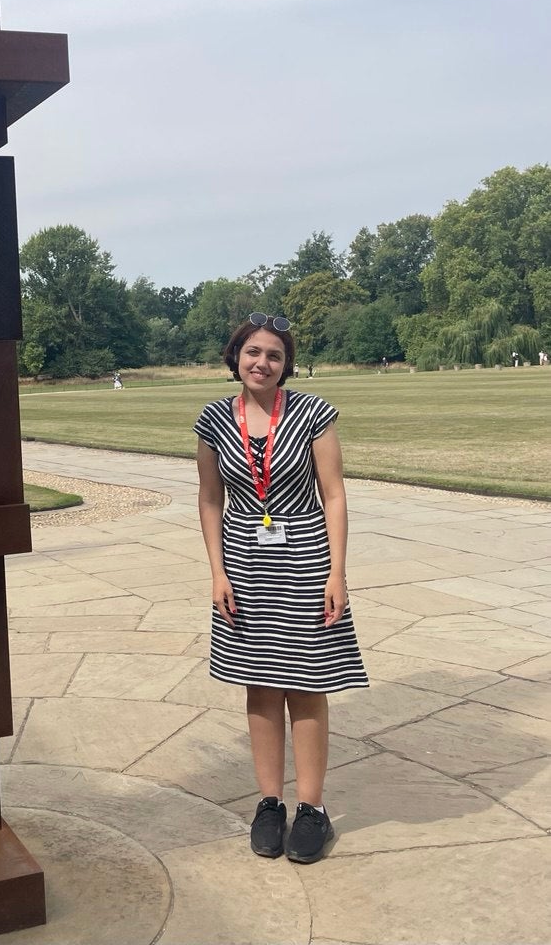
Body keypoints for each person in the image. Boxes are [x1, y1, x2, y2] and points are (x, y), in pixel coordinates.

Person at [194, 313, 367, 865]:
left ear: (285, 363)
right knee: (259, 684)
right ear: (235, 356)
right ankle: (269, 803)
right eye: (252, 352)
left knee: (308, 681)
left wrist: (337, 573)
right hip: (244, 564)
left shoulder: (314, 413)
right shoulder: (215, 421)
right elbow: (209, 500)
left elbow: (334, 494)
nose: (262, 363)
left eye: (273, 354)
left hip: (307, 556)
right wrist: (217, 572)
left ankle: (311, 809)